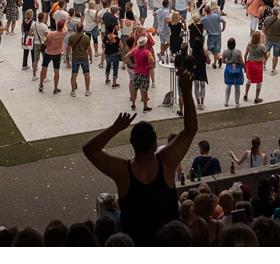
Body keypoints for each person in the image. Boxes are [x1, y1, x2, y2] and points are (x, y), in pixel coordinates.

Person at [82, 68, 197, 246]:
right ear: (154, 144)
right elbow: (190, 129)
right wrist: (187, 92)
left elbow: (90, 150)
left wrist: (115, 128)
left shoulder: (123, 172)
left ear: (132, 143)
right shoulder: (166, 162)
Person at [125, 35, 155, 112]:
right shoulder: (147, 52)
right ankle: (145, 106)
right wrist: (149, 66)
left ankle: (133, 104)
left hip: (137, 71)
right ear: (145, 44)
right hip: (145, 72)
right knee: (144, 90)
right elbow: (153, 61)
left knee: (135, 88)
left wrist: (132, 65)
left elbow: (126, 56)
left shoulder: (135, 50)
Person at [68, 20, 93, 97]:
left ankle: (73, 91)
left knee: (74, 75)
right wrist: (91, 57)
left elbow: (68, 49)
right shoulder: (86, 38)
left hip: (75, 58)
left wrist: (68, 58)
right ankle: (87, 90)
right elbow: (89, 49)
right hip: (84, 58)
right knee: (86, 74)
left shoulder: (71, 37)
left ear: (76, 28)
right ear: (82, 29)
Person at [242, 30, 267, 104]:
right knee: (259, 81)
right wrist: (266, 56)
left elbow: (245, 55)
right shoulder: (262, 46)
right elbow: (265, 56)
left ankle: (246, 94)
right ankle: (256, 98)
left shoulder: (249, 44)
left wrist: (246, 64)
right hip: (258, 64)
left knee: (249, 79)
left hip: (250, 64)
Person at [222, 38, 245, 108]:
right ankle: (237, 102)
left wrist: (228, 62)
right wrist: (244, 67)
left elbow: (223, 61)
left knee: (228, 85)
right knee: (237, 86)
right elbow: (241, 62)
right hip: (237, 69)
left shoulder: (225, 52)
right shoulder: (238, 52)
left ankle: (226, 101)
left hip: (228, 69)